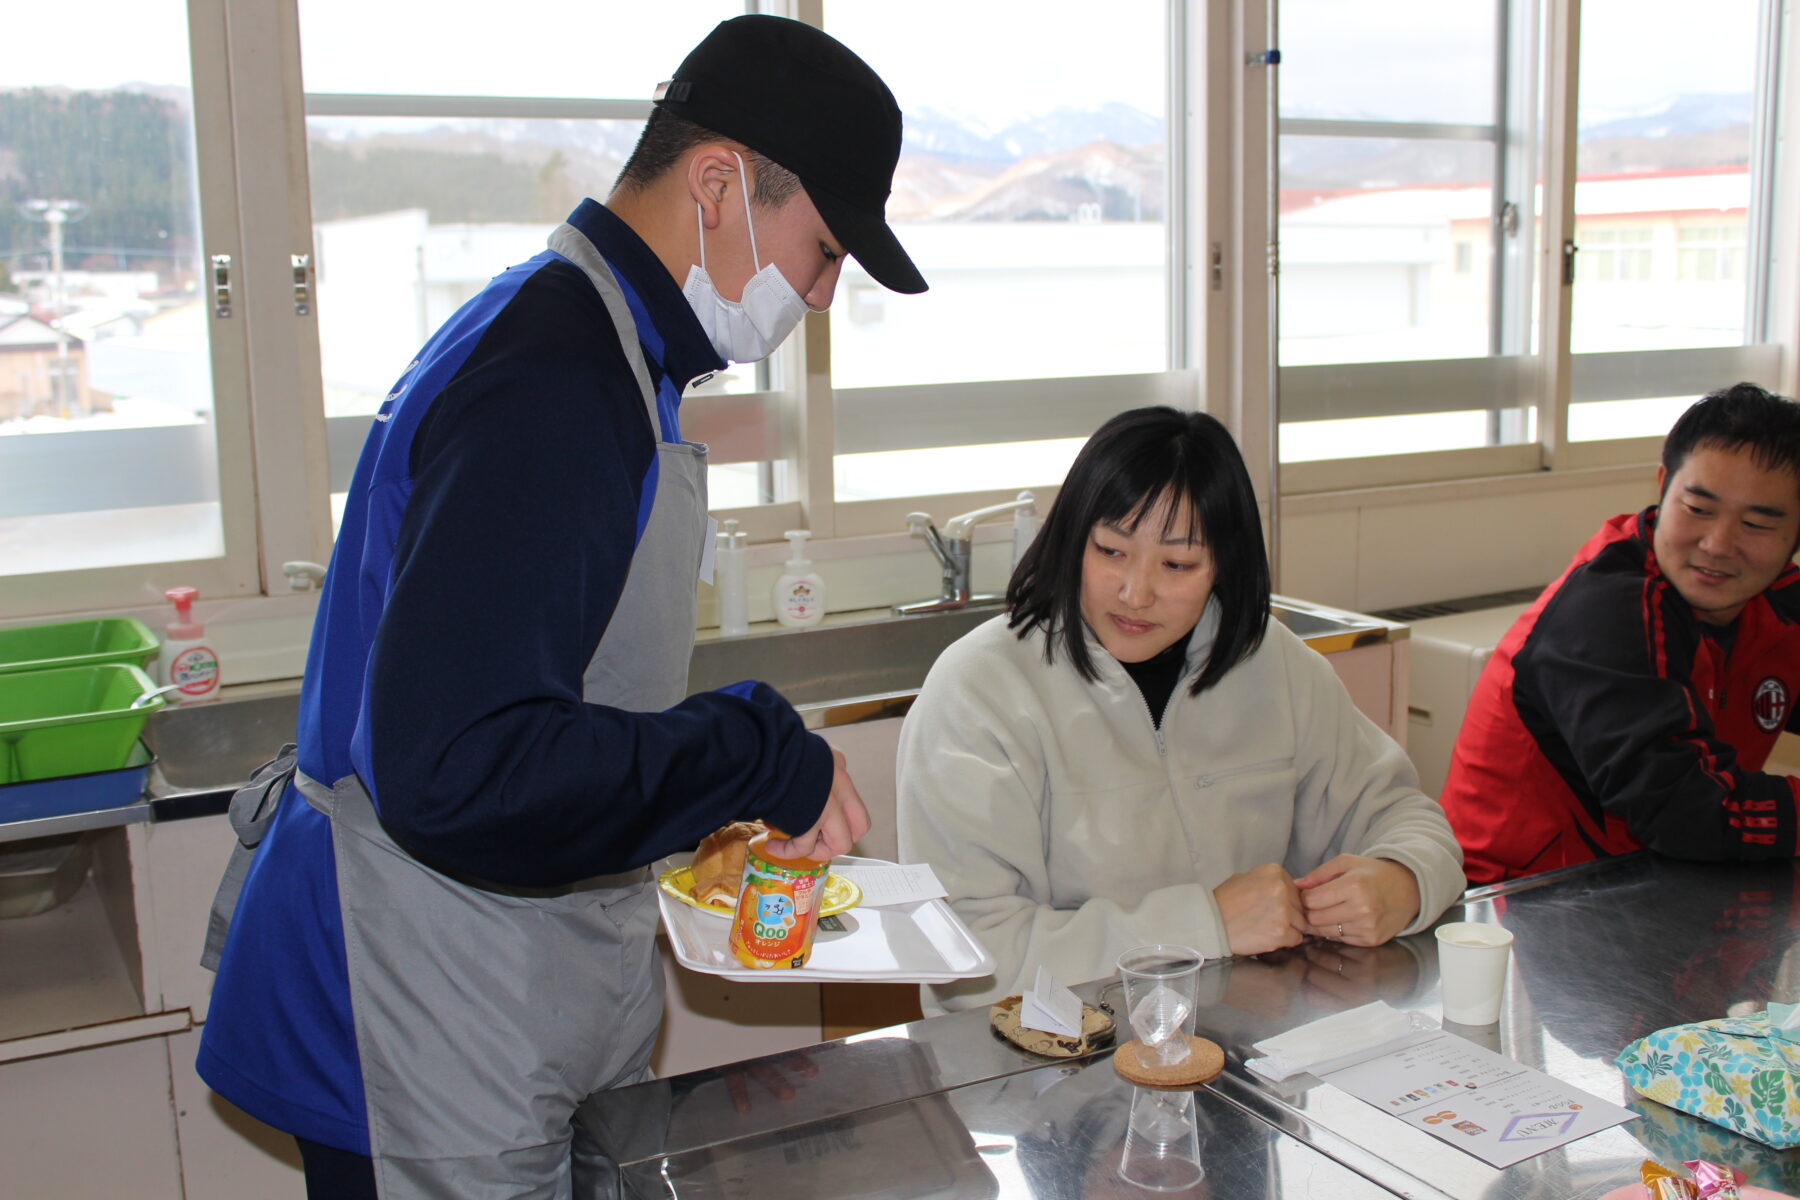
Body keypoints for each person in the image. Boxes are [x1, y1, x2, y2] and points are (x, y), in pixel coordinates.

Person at [195, 16, 922, 1197]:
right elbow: (464, 766)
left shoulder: (598, 341)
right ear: (720, 183)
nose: (823, 295)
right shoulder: (556, 378)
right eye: (825, 251)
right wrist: (746, 751)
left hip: (488, 982)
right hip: (414, 993)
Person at [897, 406, 1464, 1014]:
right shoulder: (980, 690)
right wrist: (1203, 925)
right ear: (1071, 540)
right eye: (1111, 551)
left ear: (1224, 563)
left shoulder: (1276, 665)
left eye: (1177, 565)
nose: (1136, 593)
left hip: (1245, 1054)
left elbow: (1407, 817)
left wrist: (1401, 878)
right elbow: (968, 958)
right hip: (1046, 1071)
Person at [1441, 382, 1800, 885]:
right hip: (1519, 909)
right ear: (1662, 486)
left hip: (1664, 889)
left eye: (1758, 524)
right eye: (1698, 509)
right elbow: (1685, 811)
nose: (1718, 545)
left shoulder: (1779, 598)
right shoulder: (1608, 611)